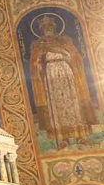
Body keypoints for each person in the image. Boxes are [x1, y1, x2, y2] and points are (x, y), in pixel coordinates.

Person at [29, 14, 97, 148]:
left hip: (66, 71)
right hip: (50, 75)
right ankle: (64, 139)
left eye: (49, 26)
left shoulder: (65, 40)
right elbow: (34, 62)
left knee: (73, 103)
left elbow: (75, 56)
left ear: (54, 27)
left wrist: (64, 53)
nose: (47, 29)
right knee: (56, 106)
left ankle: (80, 136)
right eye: (44, 27)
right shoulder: (38, 44)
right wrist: (39, 61)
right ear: (41, 30)